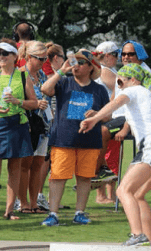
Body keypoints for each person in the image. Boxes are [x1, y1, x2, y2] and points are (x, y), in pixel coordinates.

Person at [79, 63, 151, 246]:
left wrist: (94, 118)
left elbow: (115, 103)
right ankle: (149, 240)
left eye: (120, 81)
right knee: (137, 195)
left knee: (123, 190)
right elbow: (127, 116)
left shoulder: (134, 90)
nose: (119, 85)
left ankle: (137, 235)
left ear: (133, 79)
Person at [40, 49, 109, 226]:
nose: (76, 65)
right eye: (74, 61)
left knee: (85, 177)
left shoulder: (99, 90)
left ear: (90, 67)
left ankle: (80, 212)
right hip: (64, 139)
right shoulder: (64, 82)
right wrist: (62, 71)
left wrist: (97, 114)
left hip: (89, 141)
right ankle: (53, 214)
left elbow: (108, 116)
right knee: (58, 177)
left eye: (81, 62)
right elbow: (45, 89)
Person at [0, 39, 38, 222]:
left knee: (15, 168)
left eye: (5, 54)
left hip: (17, 123)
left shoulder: (22, 76)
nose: (1, 57)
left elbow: (34, 103)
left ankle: (10, 210)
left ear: (15, 57)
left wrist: (19, 102)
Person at [17, 41, 51, 214]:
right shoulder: (20, 75)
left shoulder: (43, 75)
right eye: (40, 58)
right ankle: (22, 203)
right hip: (27, 124)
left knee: (38, 164)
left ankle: (34, 202)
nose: (43, 62)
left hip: (43, 125)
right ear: (29, 57)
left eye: (45, 58)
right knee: (25, 164)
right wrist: (36, 103)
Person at [36, 41, 65, 211]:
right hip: (49, 121)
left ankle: (47, 197)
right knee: (44, 160)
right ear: (56, 58)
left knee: (51, 161)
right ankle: (39, 196)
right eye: (62, 56)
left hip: (54, 120)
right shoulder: (49, 73)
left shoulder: (52, 72)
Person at [93, 41, 120, 204]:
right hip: (108, 120)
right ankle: (105, 195)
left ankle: (108, 195)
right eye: (116, 55)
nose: (119, 58)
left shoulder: (105, 70)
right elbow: (123, 87)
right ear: (108, 56)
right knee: (109, 157)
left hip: (107, 118)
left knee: (107, 157)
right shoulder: (106, 71)